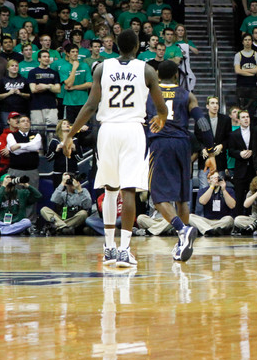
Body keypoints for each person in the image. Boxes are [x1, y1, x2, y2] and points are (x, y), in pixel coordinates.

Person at [64, 29, 167, 268]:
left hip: (107, 129)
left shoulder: (102, 67)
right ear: (138, 46)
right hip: (132, 130)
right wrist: (161, 117)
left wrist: (70, 134)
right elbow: (161, 106)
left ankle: (109, 248)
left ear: (117, 46)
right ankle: (124, 250)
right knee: (128, 190)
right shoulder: (147, 69)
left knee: (110, 190)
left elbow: (90, 105)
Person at [145, 60, 216, 261]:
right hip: (183, 144)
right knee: (182, 198)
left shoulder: (150, 93)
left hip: (160, 144)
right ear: (177, 75)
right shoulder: (187, 95)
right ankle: (181, 243)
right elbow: (202, 123)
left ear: (158, 75)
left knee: (158, 197)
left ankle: (182, 231)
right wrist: (210, 153)